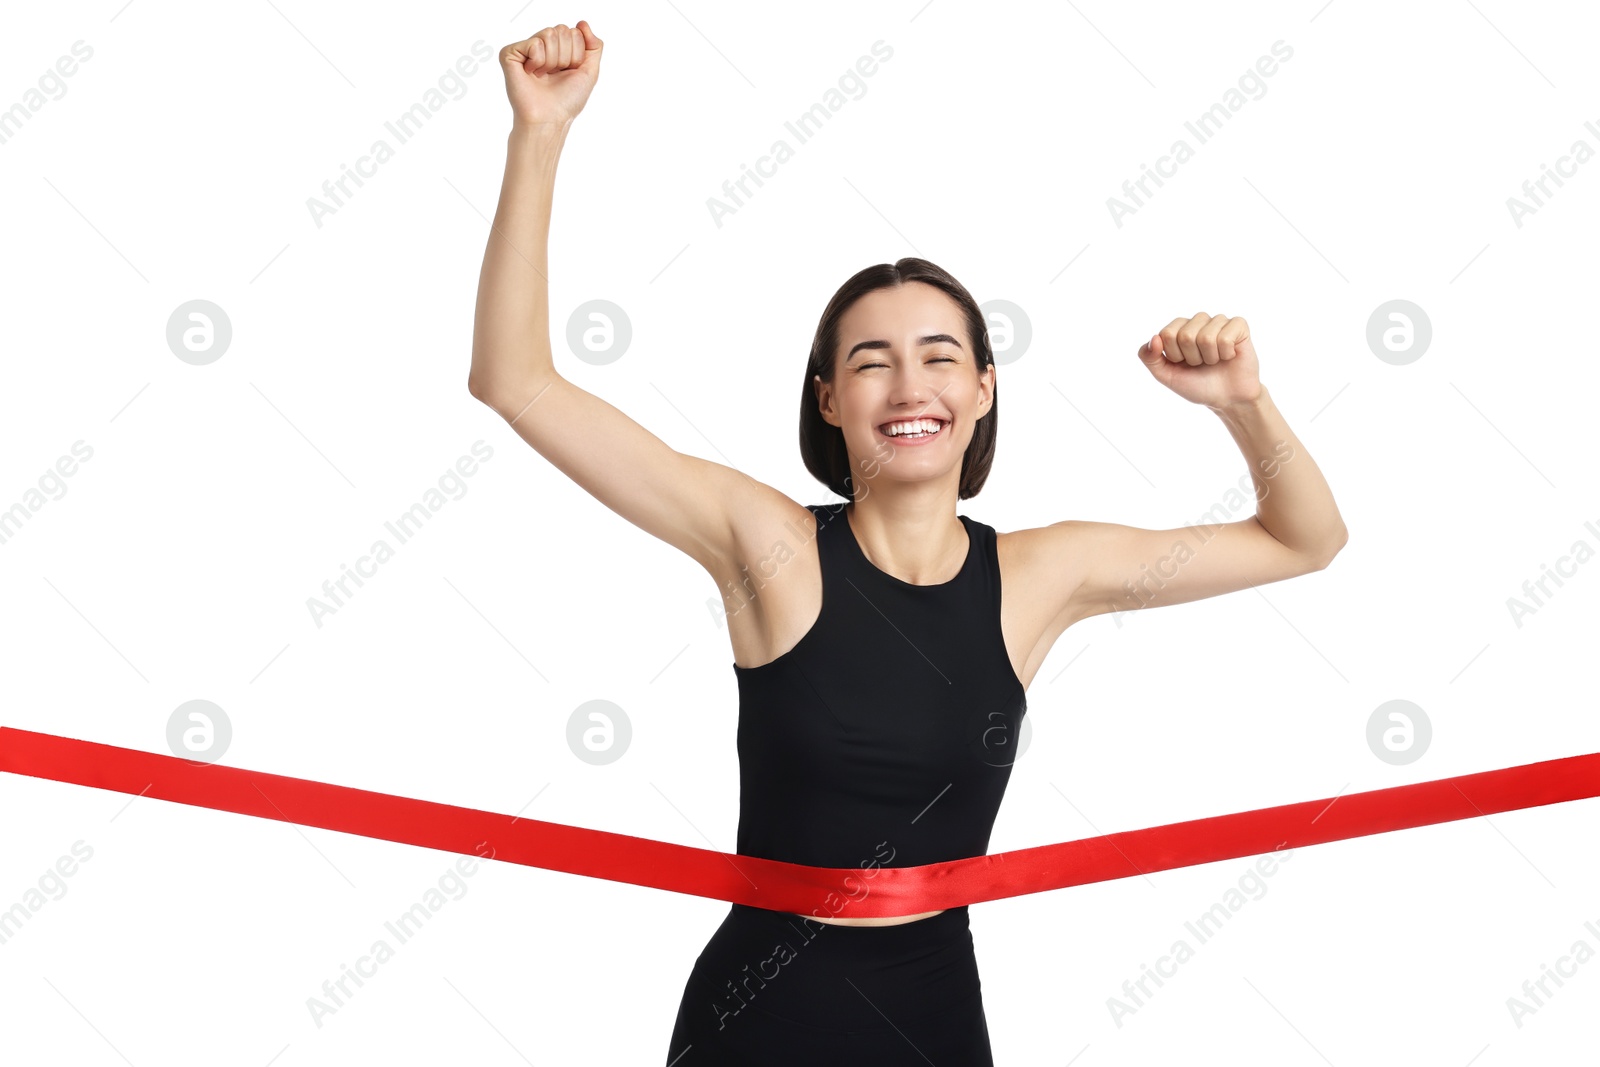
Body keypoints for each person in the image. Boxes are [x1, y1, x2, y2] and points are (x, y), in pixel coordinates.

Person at [468, 22, 1349, 1064]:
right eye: (872, 362)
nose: (909, 386)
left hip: (931, 1015)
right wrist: (540, 132)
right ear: (831, 399)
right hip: (761, 1015)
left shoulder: (1040, 575)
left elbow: (1305, 540)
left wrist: (1242, 404)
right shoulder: (769, 545)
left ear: (982, 389)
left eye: (939, 356)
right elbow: (516, 380)